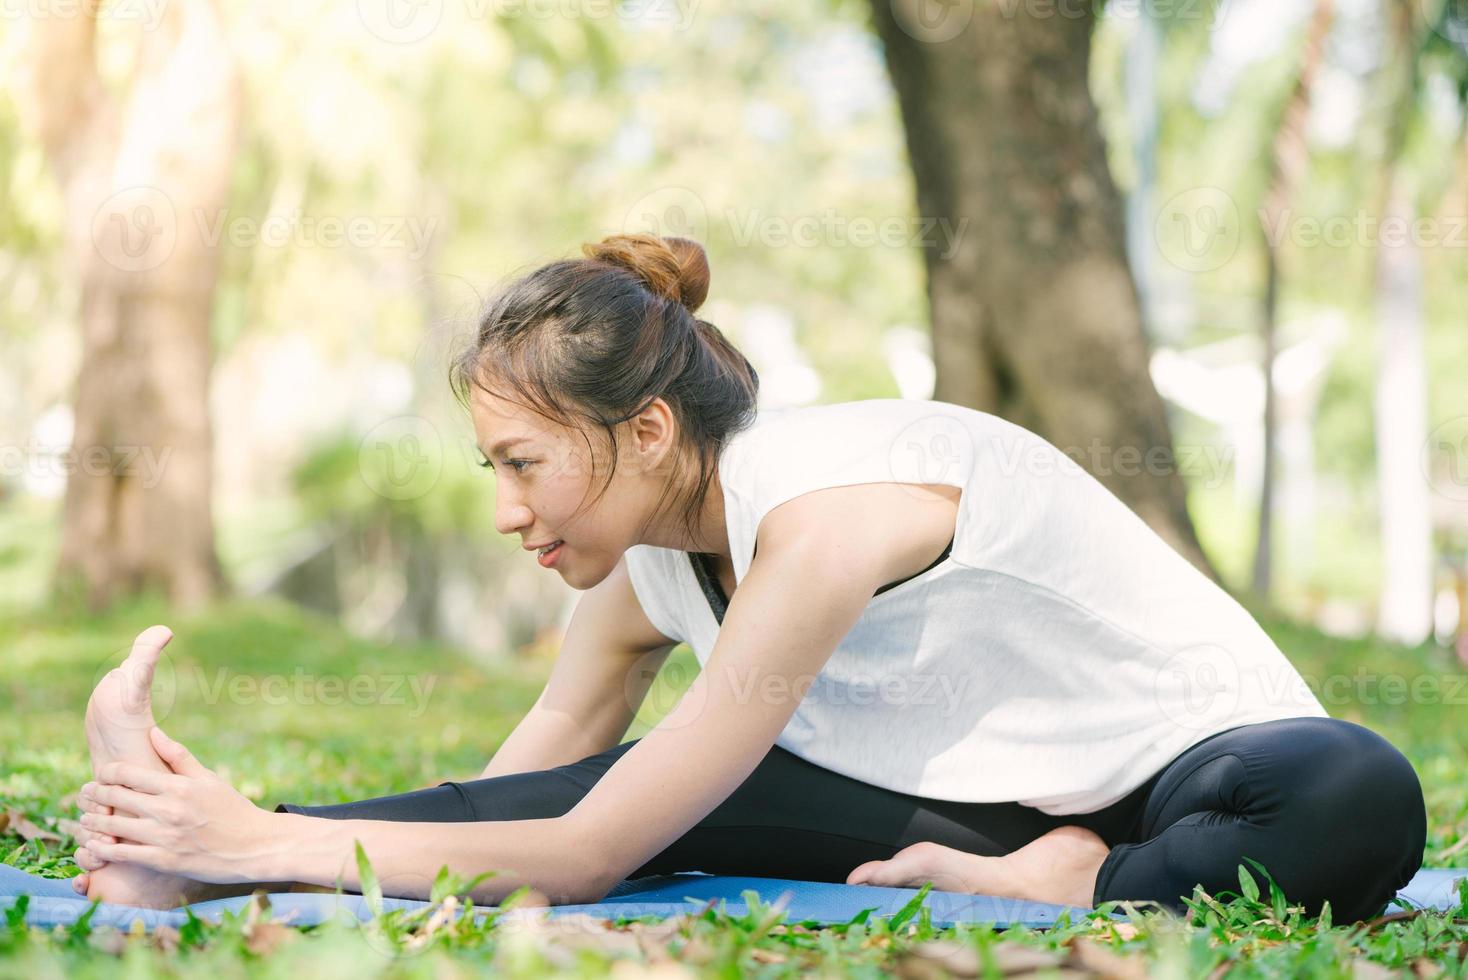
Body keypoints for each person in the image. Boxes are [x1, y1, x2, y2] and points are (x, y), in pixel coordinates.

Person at [70, 234, 1426, 922]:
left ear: (647, 431)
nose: (503, 510)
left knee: (1361, 796)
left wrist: (263, 843)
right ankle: (173, 859)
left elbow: (590, 856)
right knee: (681, 795)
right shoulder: (649, 574)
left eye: (523, 463)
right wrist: (218, 841)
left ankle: (1081, 880)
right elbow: (531, 800)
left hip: (1204, 778)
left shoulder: (823, 516)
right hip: (978, 814)